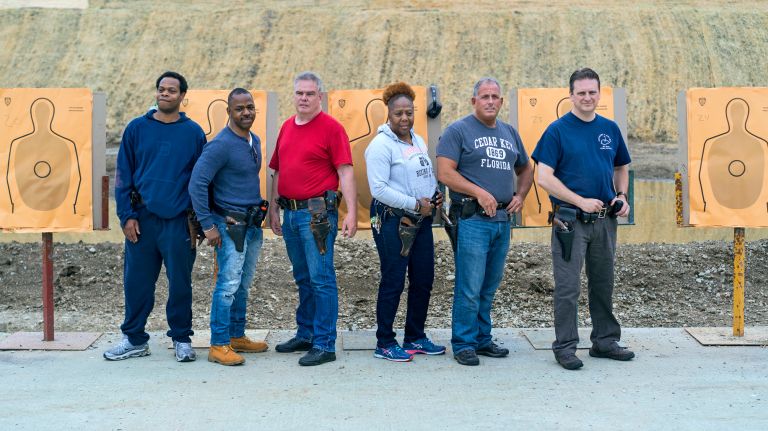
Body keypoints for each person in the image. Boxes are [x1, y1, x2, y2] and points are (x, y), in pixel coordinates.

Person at [531, 68, 634, 370]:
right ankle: (565, 346)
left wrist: (622, 196)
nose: (587, 97)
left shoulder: (610, 129)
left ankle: (604, 341)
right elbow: (544, 177)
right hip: (569, 221)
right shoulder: (557, 131)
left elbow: (621, 166)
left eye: (592, 92)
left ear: (599, 94)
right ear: (571, 95)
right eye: (581, 93)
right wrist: (579, 201)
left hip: (605, 221)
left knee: (603, 282)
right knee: (568, 286)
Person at [105, 71, 205, 362]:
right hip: (143, 221)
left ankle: (182, 339)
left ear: (182, 96)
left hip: (178, 222)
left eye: (171, 90)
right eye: (161, 89)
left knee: (180, 284)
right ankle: (135, 339)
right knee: (137, 283)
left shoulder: (194, 133)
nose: (165, 94)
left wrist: (201, 222)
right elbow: (123, 176)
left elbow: (201, 181)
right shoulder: (137, 128)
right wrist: (126, 216)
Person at [436, 77, 533, 366]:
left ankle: (482, 338)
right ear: (474, 101)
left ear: (501, 102)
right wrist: (479, 192)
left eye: (495, 97)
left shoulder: (509, 133)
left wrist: (521, 195)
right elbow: (444, 172)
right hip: (472, 219)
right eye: (484, 96)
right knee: (470, 285)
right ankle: (464, 343)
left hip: (502, 220)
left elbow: (526, 168)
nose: (490, 101)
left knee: (489, 284)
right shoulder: (458, 131)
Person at [268, 71, 357, 366]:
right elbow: (277, 171)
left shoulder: (332, 128)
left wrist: (351, 213)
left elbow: (345, 171)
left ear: (319, 96)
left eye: (309, 93)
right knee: (303, 277)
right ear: (293, 95)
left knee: (321, 278)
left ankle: (324, 343)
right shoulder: (286, 127)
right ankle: (305, 333)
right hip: (290, 213)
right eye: (299, 93)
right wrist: (273, 208)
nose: (304, 98)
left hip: (317, 215)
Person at [364, 82, 446, 362]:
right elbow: (379, 189)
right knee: (394, 280)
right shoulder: (380, 146)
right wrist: (415, 204)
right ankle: (384, 342)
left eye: (409, 113)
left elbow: (425, 174)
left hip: (420, 220)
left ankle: (415, 337)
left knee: (423, 278)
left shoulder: (418, 140)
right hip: (392, 222)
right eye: (398, 113)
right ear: (388, 114)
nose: (404, 119)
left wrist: (434, 195)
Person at [189, 88, 269, 366]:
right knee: (227, 285)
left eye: (250, 107)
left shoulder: (254, 140)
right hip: (228, 226)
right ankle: (219, 344)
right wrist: (208, 225)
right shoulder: (220, 145)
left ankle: (236, 336)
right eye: (239, 108)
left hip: (252, 225)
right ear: (229, 112)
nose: (246, 112)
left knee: (243, 285)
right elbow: (197, 184)